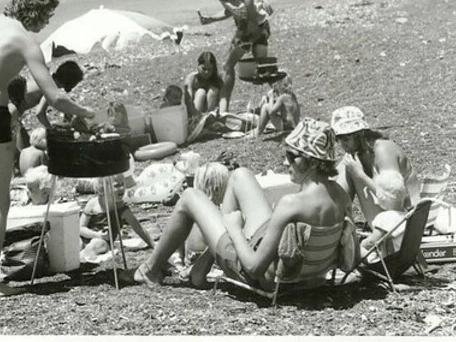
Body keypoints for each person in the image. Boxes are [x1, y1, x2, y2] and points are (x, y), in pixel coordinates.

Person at [0, 0, 95, 299]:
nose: (46, 23)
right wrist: (86, 112)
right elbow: (55, 97)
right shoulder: (25, 42)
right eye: (47, 16)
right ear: (36, 12)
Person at [125, 118, 354, 290]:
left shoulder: (292, 204)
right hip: (307, 278)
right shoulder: (341, 196)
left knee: (190, 197)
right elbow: (348, 254)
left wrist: (234, 229)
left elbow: (254, 268)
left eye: (292, 156)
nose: (286, 161)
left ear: (312, 162)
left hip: (268, 278)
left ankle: (149, 270)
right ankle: (203, 267)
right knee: (240, 175)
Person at [191, 0, 274, 115]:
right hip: (262, 24)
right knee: (263, 68)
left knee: (227, 66)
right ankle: (281, 101)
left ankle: (223, 110)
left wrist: (249, 23)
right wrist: (211, 19)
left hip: (248, 29)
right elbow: (233, 9)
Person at [330, 106, 419, 228]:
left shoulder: (383, 150)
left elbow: (393, 204)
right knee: (346, 169)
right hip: (387, 226)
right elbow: (336, 190)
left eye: (346, 138)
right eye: (338, 139)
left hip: (407, 223)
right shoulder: (355, 155)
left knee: (350, 168)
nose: (343, 144)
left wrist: (361, 175)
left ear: (360, 134)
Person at [8, 61, 84, 175]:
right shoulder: (50, 87)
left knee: (22, 154)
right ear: (70, 82)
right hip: (10, 114)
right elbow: (39, 113)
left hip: (9, 112)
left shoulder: (46, 79)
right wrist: (50, 131)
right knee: (23, 157)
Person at [80, 176, 155, 261]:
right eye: (117, 186)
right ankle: (76, 259)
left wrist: (153, 245)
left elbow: (139, 229)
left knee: (97, 244)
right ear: (102, 189)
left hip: (104, 242)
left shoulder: (121, 209)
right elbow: (80, 228)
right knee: (76, 243)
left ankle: (80, 258)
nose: (122, 188)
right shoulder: (92, 204)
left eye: (122, 184)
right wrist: (97, 234)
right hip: (87, 236)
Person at [176, 163, 230, 273]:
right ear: (216, 189)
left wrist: (179, 259)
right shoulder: (215, 214)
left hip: (189, 260)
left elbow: (179, 236)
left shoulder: (193, 211)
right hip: (209, 267)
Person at [359, 170, 408, 262]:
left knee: (356, 249)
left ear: (380, 197)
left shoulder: (383, 218)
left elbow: (372, 241)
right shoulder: (407, 215)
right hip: (404, 259)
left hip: (388, 262)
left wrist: (362, 243)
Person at [184, 51, 224, 115]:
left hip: (212, 111)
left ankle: (210, 117)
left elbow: (222, 101)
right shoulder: (191, 79)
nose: (206, 72)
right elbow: (188, 102)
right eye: (204, 69)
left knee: (212, 91)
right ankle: (197, 119)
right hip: (194, 112)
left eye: (209, 69)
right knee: (201, 92)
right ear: (198, 66)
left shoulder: (218, 80)